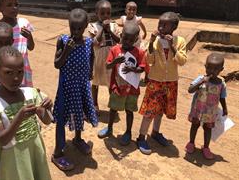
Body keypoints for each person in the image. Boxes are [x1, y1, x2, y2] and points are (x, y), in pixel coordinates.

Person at [0, 46, 53, 180]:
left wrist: (47, 109)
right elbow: (3, 139)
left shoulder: (31, 93)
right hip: (14, 161)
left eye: (20, 72)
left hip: (35, 151)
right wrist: (19, 117)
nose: (16, 78)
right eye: (8, 73)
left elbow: (46, 120)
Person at [52, 8, 98, 171]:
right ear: (69, 25)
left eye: (79, 28)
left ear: (86, 26)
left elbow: (91, 56)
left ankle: (78, 139)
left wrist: (90, 71)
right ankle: (57, 153)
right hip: (66, 87)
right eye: (73, 28)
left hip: (81, 84)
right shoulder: (63, 41)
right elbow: (57, 64)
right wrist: (67, 50)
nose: (76, 32)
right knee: (62, 116)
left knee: (80, 113)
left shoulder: (88, 42)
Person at [136, 12, 187, 155]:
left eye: (165, 24)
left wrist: (172, 46)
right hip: (155, 81)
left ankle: (155, 132)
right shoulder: (155, 41)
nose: (161, 26)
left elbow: (182, 61)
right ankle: (141, 136)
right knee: (150, 110)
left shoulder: (180, 41)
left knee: (161, 110)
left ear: (174, 27)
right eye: (160, 23)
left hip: (171, 82)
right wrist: (151, 43)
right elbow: (149, 61)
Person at [97, 23, 149, 145]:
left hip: (132, 90)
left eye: (131, 40)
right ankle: (109, 128)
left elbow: (142, 68)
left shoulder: (140, 53)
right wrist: (115, 61)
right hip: (118, 87)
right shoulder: (115, 50)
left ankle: (128, 132)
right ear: (121, 35)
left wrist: (133, 69)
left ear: (136, 39)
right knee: (113, 109)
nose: (127, 42)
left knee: (129, 111)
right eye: (125, 38)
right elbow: (107, 65)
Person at [0, 0, 35, 87]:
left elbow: (31, 47)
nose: (14, 8)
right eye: (9, 5)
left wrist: (29, 37)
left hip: (22, 69)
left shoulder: (24, 23)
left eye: (16, 4)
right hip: (6, 72)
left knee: (25, 95)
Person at [185, 53, 227, 160]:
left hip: (211, 112)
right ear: (205, 67)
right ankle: (191, 143)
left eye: (215, 69)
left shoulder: (221, 84)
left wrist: (225, 108)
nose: (212, 71)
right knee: (195, 125)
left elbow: (222, 97)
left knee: (207, 129)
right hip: (198, 109)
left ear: (221, 70)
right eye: (209, 68)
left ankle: (206, 147)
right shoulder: (201, 79)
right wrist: (201, 82)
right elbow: (190, 90)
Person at [88, 0, 120, 114]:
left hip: (111, 57)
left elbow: (118, 40)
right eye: (102, 13)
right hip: (99, 58)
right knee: (96, 81)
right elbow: (94, 42)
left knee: (111, 81)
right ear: (97, 13)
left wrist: (110, 31)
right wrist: (102, 29)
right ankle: (95, 104)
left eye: (108, 13)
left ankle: (113, 103)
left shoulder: (114, 25)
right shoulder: (93, 26)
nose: (105, 16)